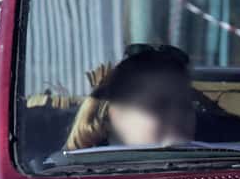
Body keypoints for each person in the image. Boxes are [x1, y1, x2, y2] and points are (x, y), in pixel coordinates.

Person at [65, 43, 198, 150]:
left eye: (185, 105)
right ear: (110, 116)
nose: (178, 115)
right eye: (159, 105)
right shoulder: (72, 174)